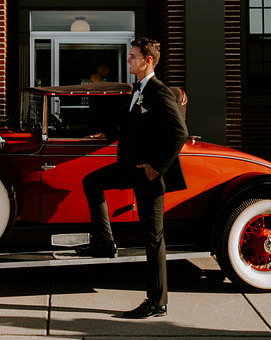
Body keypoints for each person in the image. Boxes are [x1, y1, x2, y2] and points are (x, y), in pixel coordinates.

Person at [80, 37, 189, 319]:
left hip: (148, 173)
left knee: (153, 238)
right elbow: (128, 123)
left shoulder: (158, 91)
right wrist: (106, 135)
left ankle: (157, 302)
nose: (128, 60)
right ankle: (105, 242)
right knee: (92, 181)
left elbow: (180, 133)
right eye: (129, 56)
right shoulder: (137, 89)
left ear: (147, 61)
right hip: (129, 167)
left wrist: (157, 167)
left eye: (133, 56)